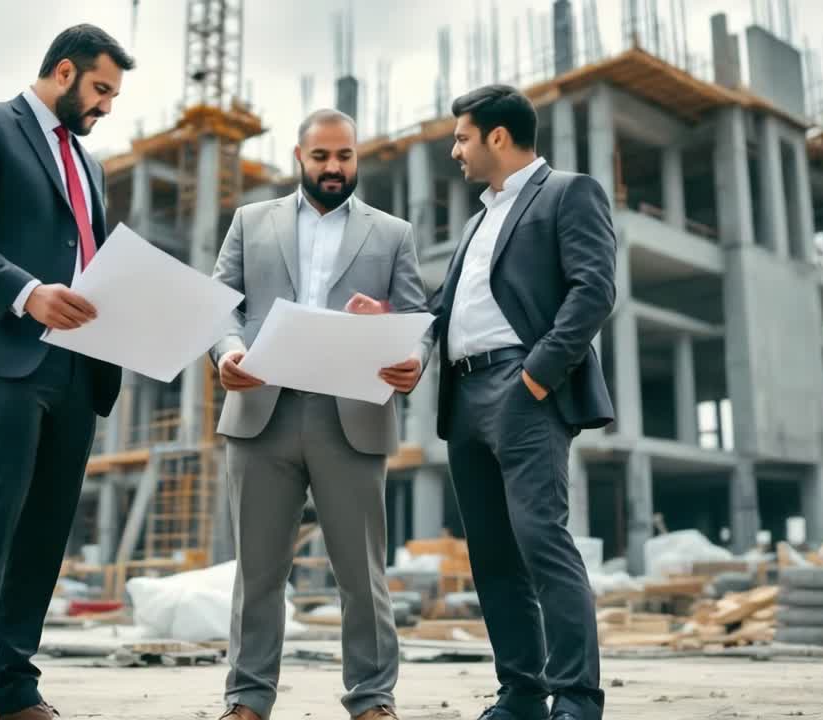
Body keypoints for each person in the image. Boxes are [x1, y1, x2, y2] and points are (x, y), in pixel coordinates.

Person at [0, 24, 135, 720]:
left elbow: (87, 256)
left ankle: (14, 686)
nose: (106, 106)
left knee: (44, 532)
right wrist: (25, 291)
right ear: (65, 71)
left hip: (76, 364)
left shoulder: (91, 165)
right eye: (101, 89)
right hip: (1, 354)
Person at [208, 108, 432, 720]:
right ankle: (247, 701)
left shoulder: (392, 233)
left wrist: (411, 356)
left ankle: (372, 700)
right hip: (261, 412)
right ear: (299, 157)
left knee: (363, 575)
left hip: (352, 415)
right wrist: (228, 351)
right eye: (321, 157)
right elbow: (221, 305)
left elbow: (417, 321)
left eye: (345, 156)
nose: (334, 167)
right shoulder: (251, 222)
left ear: (356, 157)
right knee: (258, 572)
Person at [433, 85, 616, 720]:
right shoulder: (477, 219)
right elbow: (448, 306)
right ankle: (521, 692)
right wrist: (397, 322)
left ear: (498, 137)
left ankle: (577, 697)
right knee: (490, 552)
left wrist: (536, 377)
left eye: (461, 137)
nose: (454, 149)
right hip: (464, 394)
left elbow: (593, 290)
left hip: (524, 388)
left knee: (541, 539)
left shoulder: (569, 192)